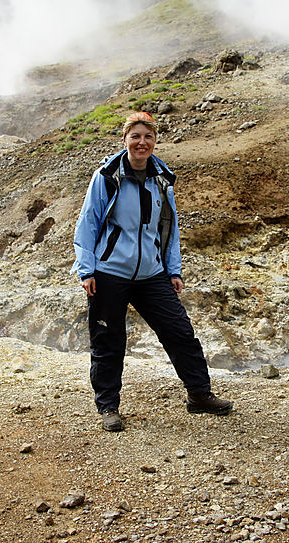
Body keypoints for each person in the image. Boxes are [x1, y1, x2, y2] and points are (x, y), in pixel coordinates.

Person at [73, 111, 233, 432]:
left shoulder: (162, 180)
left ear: (155, 140)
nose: (141, 142)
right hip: (109, 273)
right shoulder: (106, 176)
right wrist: (86, 269)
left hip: (152, 274)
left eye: (148, 136)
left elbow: (169, 229)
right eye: (135, 136)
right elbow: (88, 222)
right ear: (125, 140)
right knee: (108, 340)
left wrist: (173, 270)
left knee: (180, 332)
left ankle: (199, 394)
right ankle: (108, 407)